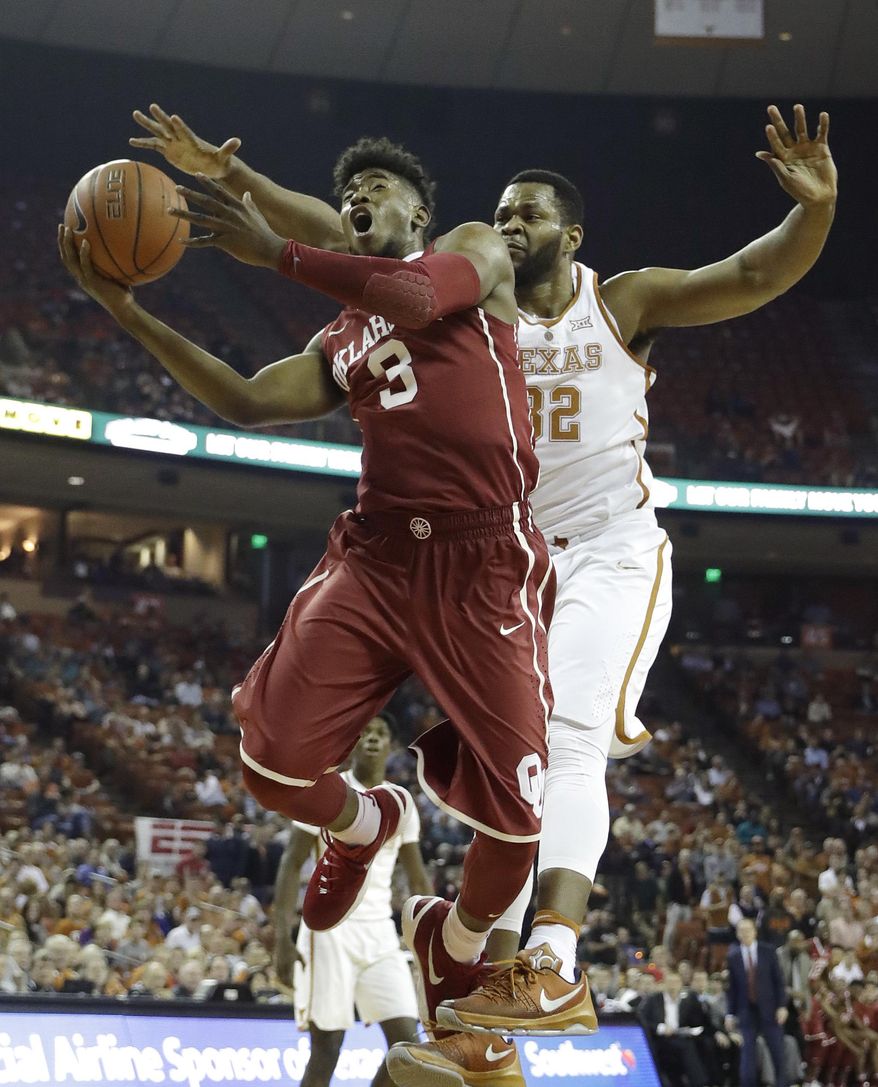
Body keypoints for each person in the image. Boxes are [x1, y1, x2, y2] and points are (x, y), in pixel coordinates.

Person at [127, 98, 836, 1058]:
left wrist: (816, 213)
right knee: (501, 797)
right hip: (508, 564)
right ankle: (466, 976)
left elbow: (751, 274)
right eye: (501, 209)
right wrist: (231, 175)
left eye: (529, 211)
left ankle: (551, 954)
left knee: (569, 746)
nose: (509, 221)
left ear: (570, 235)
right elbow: (340, 231)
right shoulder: (446, 292)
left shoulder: (611, 300)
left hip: (606, 549)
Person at [64, 121, 555, 1076]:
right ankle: (362, 822)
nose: (363, 199)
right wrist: (126, 312)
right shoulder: (338, 335)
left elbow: (409, 292)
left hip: (484, 560)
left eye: (378, 186)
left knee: (520, 826)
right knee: (269, 766)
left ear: (418, 207)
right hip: (377, 559)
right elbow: (248, 400)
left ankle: (449, 945)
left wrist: (275, 243)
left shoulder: (471, 250)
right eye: (351, 192)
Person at [273, 715, 431, 1087]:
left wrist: (429, 939)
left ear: (391, 747)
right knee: (327, 1049)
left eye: (382, 733)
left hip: (380, 933)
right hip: (330, 930)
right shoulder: (327, 790)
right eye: (366, 733)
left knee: (408, 1046)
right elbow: (291, 863)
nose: (374, 739)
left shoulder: (402, 803)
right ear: (353, 743)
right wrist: (281, 937)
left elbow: (418, 877)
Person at [726, 918, 790, 1087]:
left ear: (754, 932)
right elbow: (732, 988)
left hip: (770, 1009)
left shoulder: (768, 951)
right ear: (738, 934)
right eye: (742, 930)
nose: (745, 933)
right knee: (747, 1054)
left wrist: (782, 1006)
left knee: (777, 1052)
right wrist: (730, 1013)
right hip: (746, 1011)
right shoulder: (733, 956)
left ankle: (782, 1084)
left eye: (748, 930)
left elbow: (779, 981)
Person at [638, 971, 710, 1087]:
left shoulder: (687, 1000)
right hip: (659, 1038)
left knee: (700, 1044)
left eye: (676, 982)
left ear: (681, 984)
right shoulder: (654, 999)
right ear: (664, 984)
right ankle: (699, 1083)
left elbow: (698, 1020)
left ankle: (703, 1081)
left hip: (681, 1035)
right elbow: (642, 1019)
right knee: (685, 1047)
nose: (673, 985)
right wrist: (660, 1028)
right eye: (670, 982)